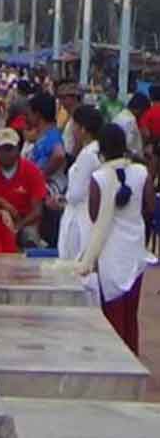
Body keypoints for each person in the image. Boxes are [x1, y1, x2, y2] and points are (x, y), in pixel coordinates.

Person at [76, 124, 157, 354]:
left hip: (109, 250)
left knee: (112, 310)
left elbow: (94, 215)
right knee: (131, 312)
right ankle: (132, 356)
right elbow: (150, 207)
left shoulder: (99, 177)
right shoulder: (141, 173)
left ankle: (114, 357)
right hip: (134, 249)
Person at [0, 128, 48, 249]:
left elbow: (37, 211)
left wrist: (17, 226)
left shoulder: (32, 170)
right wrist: (0, 202)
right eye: (1, 149)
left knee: (30, 238)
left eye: (9, 149)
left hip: (25, 221)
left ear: (18, 149)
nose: (6, 154)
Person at [57, 106, 104, 303]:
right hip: (85, 214)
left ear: (83, 129)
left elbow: (76, 193)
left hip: (79, 216)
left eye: (75, 125)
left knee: (74, 266)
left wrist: (62, 200)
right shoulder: (96, 151)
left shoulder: (87, 155)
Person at [113, 92, 149, 159]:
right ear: (139, 109)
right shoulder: (130, 121)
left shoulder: (121, 114)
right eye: (143, 112)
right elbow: (128, 145)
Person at [56, 81, 82, 161]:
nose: (61, 101)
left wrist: (71, 160)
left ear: (74, 98)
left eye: (64, 98)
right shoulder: (69, 115)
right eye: (60, 98)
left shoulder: (79, 116)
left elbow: (78, 142)